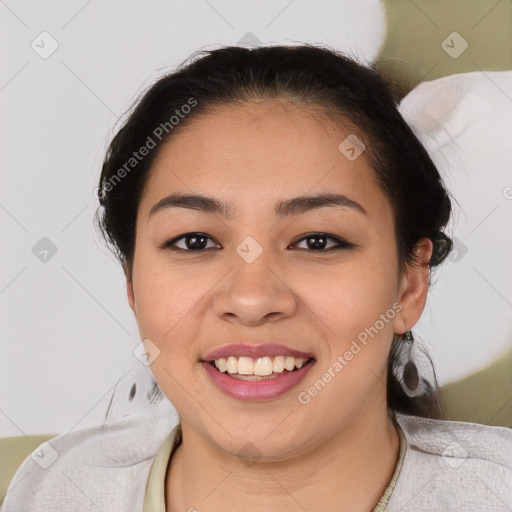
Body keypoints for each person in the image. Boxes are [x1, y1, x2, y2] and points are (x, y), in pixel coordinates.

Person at [3, 43, 511, 512]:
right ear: (132, 283)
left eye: (317, 241)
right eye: (195, 241)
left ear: (409, 284)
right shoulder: (57, 489)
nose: (251, 299)